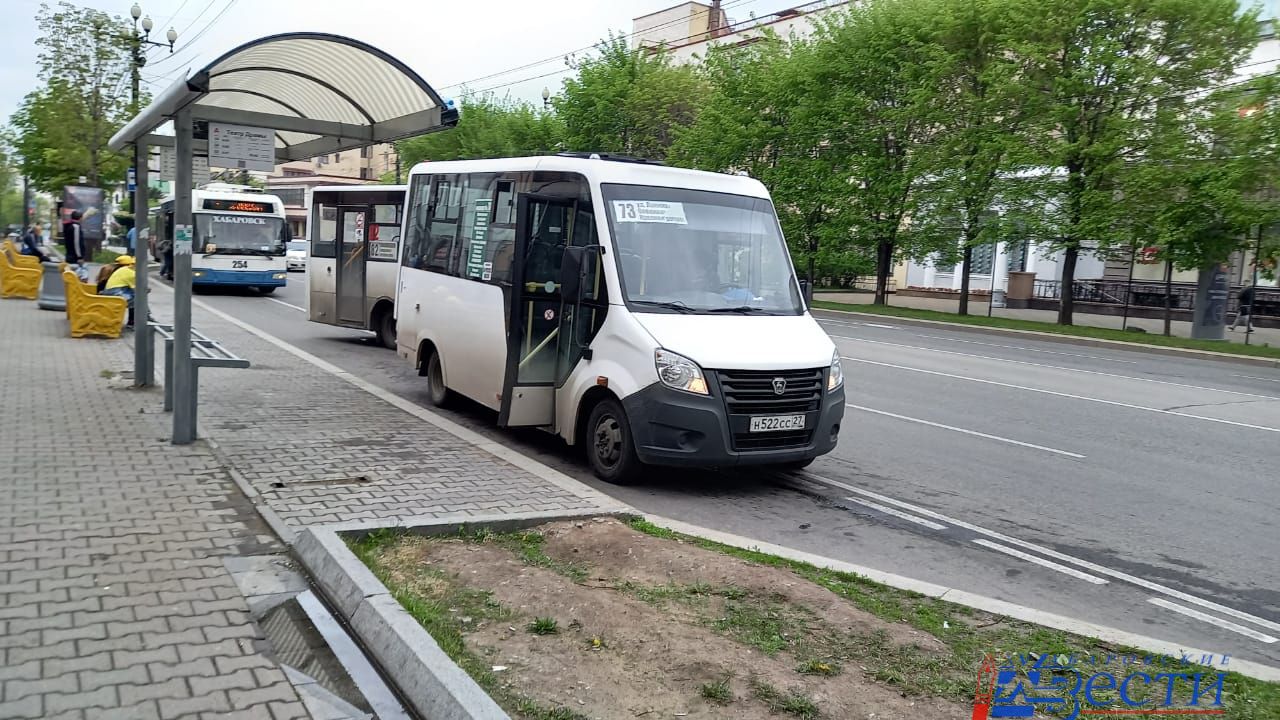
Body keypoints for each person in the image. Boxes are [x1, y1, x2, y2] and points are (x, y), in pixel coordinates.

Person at [100, 254, 137, 328]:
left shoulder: (117, 270)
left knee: (134, 297)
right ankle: (132, 322)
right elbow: (136, 290)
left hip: (107, 292)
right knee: (137, 299)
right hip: (114, 294)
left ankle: (132, 322)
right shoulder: (130, 272)